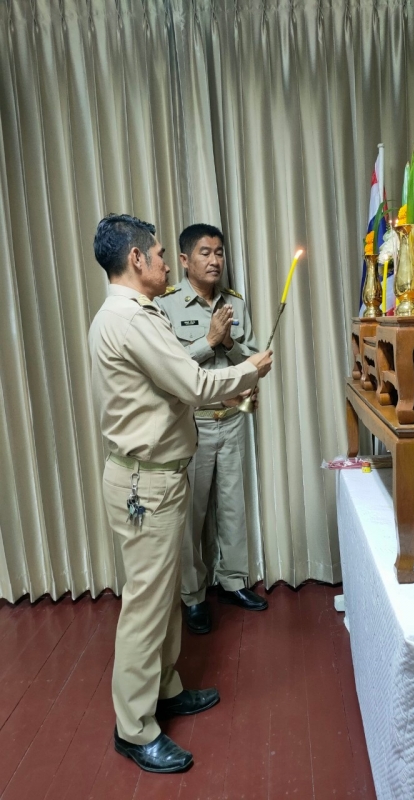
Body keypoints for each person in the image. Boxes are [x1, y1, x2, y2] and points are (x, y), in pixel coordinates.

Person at [88, 214, 272, 773]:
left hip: (157, 476)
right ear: (137, 259)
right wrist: (250, 370)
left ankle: (165, 690)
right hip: (145, 482)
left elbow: (168, 384)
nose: (169, 263)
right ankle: (134, 728)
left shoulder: (136, 312)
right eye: (162, 253)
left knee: (163, 598)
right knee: (145, 609)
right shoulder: (130, 318)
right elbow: (192, 384)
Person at [156, 223, 267, 636]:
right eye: (205, 252)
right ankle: (193, 596)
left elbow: (252, 360)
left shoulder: (234, 302)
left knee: (233, 507)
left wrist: (228, 343)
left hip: (233, 419)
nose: (215, 260)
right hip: (194, 424)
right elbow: (168, 369)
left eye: (219, 252)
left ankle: (233, 581)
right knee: (193, 514)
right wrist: (209, 339)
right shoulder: (166, 306)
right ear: (185, 260)